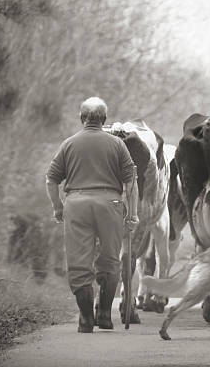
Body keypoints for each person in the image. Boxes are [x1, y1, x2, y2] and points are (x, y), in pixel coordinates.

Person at [45, 97, 139, 332]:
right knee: (110, 259)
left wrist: (58, 207)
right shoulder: (118, 145)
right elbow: (131, 183)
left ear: (81, 118)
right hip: (110, 203)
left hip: (76, 205)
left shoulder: (68, 144)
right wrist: (133, 214)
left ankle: (86, 318)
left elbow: (51, 180)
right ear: (104, 119)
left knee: (79, 263)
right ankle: (105, 315)